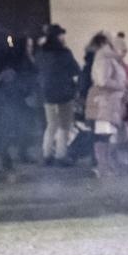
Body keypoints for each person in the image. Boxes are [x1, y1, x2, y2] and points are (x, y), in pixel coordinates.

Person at [0, 34, 37, 174]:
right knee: (10, 128)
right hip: (16, 99)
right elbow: (17, 79)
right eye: (28, 45)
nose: (30, 48)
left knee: (23, 127)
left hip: (22, 99)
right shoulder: (18, 61)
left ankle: (18, 154)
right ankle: (6, 157)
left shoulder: (26, 60)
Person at [84, 31, 128, 177]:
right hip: (104, 102)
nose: (124, 53)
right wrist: (121, 86)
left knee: (107, 134)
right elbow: (102, 81)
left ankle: (105, 165)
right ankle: (102, 166)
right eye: (122, 50)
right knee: (103, 135)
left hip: (109, 102)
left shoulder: (109, 58)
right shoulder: (104, 58)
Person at [35, 23, 80, 167]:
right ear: (57, 37)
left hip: (47, 93)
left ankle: (46, 155)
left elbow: (37, 69)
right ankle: (61, 155)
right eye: (61, 35)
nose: (63, 37)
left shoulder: (41, 53)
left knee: (51, 125)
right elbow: (75, 70)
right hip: (64, 93)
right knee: (64, 126)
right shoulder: (65, 53)